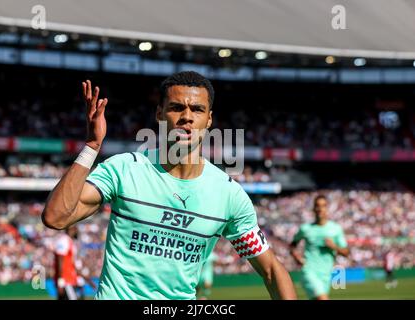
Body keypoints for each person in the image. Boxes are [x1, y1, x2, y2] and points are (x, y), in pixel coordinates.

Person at [42, 71, 297, 300]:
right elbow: (56, 217)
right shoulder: (125, 169)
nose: (186, 117)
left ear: (209, 119)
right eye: (176, 107)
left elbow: (272, 271)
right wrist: (91, 147)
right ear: (159, 113)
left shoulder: (228, 195)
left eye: (197, 109)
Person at [290, 195, 349, 300]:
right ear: (313, 208)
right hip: (309, 270)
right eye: (317, 206)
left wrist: (334, 246)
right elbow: (292, 245)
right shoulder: (306, 228)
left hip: (326, 274)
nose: (320, 208)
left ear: (327, 208)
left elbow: (346, 252)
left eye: (323, 206)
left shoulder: (335, 229)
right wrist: (296, 257)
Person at [54, 226, 79, 300]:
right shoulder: (64, 240)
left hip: (69, 280)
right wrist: (60, 282)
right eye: (75, 229)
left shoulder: (69, 241)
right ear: (71, 229)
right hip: (66, 281)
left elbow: (71, 264)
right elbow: (60, 260)